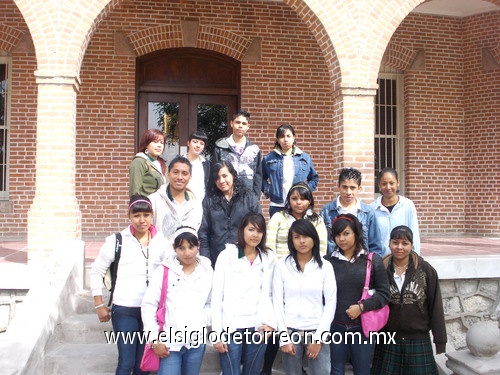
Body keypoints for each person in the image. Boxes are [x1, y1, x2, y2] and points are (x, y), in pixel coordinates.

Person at [90, 194, 167, 375]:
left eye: (146, 215)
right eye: (137, 215)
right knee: (126, 361)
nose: (142, 220)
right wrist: (99, 304)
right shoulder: (117, 241)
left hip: (151, 312)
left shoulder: (161, 242)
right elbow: (96, 271)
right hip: (125, 309)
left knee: (143, 364)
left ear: (152, 215)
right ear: (129, 216)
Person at [371, 225, 446, 375]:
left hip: (418, 339)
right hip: (388, 339)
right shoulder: (380, 269)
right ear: (389, 243)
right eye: (395, 242)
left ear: (412, 245)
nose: (399, 247)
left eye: (405, 243)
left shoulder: (425, 270)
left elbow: (435, 306)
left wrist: (440, 340)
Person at [141, 226, 213, 375]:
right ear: (174, 248)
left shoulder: (207, 271)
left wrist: (202, 320)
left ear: (198, 245)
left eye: (191, 247)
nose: (187, 253)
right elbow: (149, 305)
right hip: (169, 344)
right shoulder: (164, 270)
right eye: (181, 248)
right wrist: (154, 340)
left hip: (196, 343)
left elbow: (211, 302)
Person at [325, 214, 390, 375]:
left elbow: (384, 294)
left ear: (356, 233)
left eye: (346, 233)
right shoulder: (328, 262)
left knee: (362, 371)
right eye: (337, 235)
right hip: (335, 328)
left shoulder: (371, 260)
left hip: (362, 328)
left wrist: (362, 307)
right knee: (336, 370)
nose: (341, 239)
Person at [211, 212, 276, 375]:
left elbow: (272, 294)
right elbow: (217, 296)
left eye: (259, 231)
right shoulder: (227, 255)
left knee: (252, 371)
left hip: (257, 327)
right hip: (231, 327)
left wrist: (271, 323)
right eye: (251, 229)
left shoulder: (268, 257)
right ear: (242, 230)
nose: (255, 235)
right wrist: (217, 333)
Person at [272, 219, 337, 375]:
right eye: (296, 237)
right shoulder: (282, 265)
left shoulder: (325, 266)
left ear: (314, 238)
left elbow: (330, 303)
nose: (302, 241)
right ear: (291, 241)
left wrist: (319, 338)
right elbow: (277, 302)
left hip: (316, 330)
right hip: (290, 331)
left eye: (306, 236)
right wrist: (284, 338)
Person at [198, 161, 262, 267]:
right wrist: (206, 261)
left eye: (225, 176)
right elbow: (203, 233)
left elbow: (259, 227)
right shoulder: (208, 201)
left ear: (233, 175)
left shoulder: (249, 198)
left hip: (243, 257)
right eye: (217, 178)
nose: (221, 181)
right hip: (217, 257)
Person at [320, 167, 382, 256]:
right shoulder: (327, 211)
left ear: (359, 188)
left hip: (360, 263)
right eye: (345, 187)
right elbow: (322, 243)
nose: (348, 192)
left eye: (352, 188)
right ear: (338, 186)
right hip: (333, 263)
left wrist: (373, 265)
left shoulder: (368, 213)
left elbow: (375, 245)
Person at [262, 124, 319, 217]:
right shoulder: (269, 158)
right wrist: (268, 190)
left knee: (299, 231)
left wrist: (305, 191)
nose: (285, 139)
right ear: (277, 140)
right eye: (282, 136)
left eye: (288, 136)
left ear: (294, 138)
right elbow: (261, 177)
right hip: (277, 205)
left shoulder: (304, 158)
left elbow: (314, 178)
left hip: (298, 205)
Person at [148, 155, 203, 244]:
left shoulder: (196, 205)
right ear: (168, 173)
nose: (180, 177)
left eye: (184, 174)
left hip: (186, 256)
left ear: (190, 177)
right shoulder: (153, 200)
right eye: (175, 172)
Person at [212, 110, 262, 199]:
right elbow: (214, 173)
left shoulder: (254, 150)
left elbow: (258, 175)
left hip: (247, 198)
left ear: (248, 127)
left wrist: (255, 197)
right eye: (237, 122)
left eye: (244, 123)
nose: (240, 126)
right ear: (231, 123)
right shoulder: (221, 147)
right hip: (224, 197)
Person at [371, 167, 421, 256]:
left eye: (391, 183)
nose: (388, 187)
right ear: (379, 184)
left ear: (398, 183)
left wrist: (414, 260)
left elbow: (414, 236)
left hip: (403, 260)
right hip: (380, 262)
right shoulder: (372, 209)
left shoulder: (407, 206)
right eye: (384, 184)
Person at [129, 128, 167, 197]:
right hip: (146, 205)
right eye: (155, 142)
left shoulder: (162, 164)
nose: (159, 145)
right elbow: (134, 191)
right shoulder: (139, 161)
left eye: (161, 143)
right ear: (146, 144)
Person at [183, 130, 210, 202]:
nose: (198, 146)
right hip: (182, 203)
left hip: (201, 204)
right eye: (195, 142)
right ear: (188, 143)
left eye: (201, 144)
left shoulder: (206, 164)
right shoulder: (179, 161)